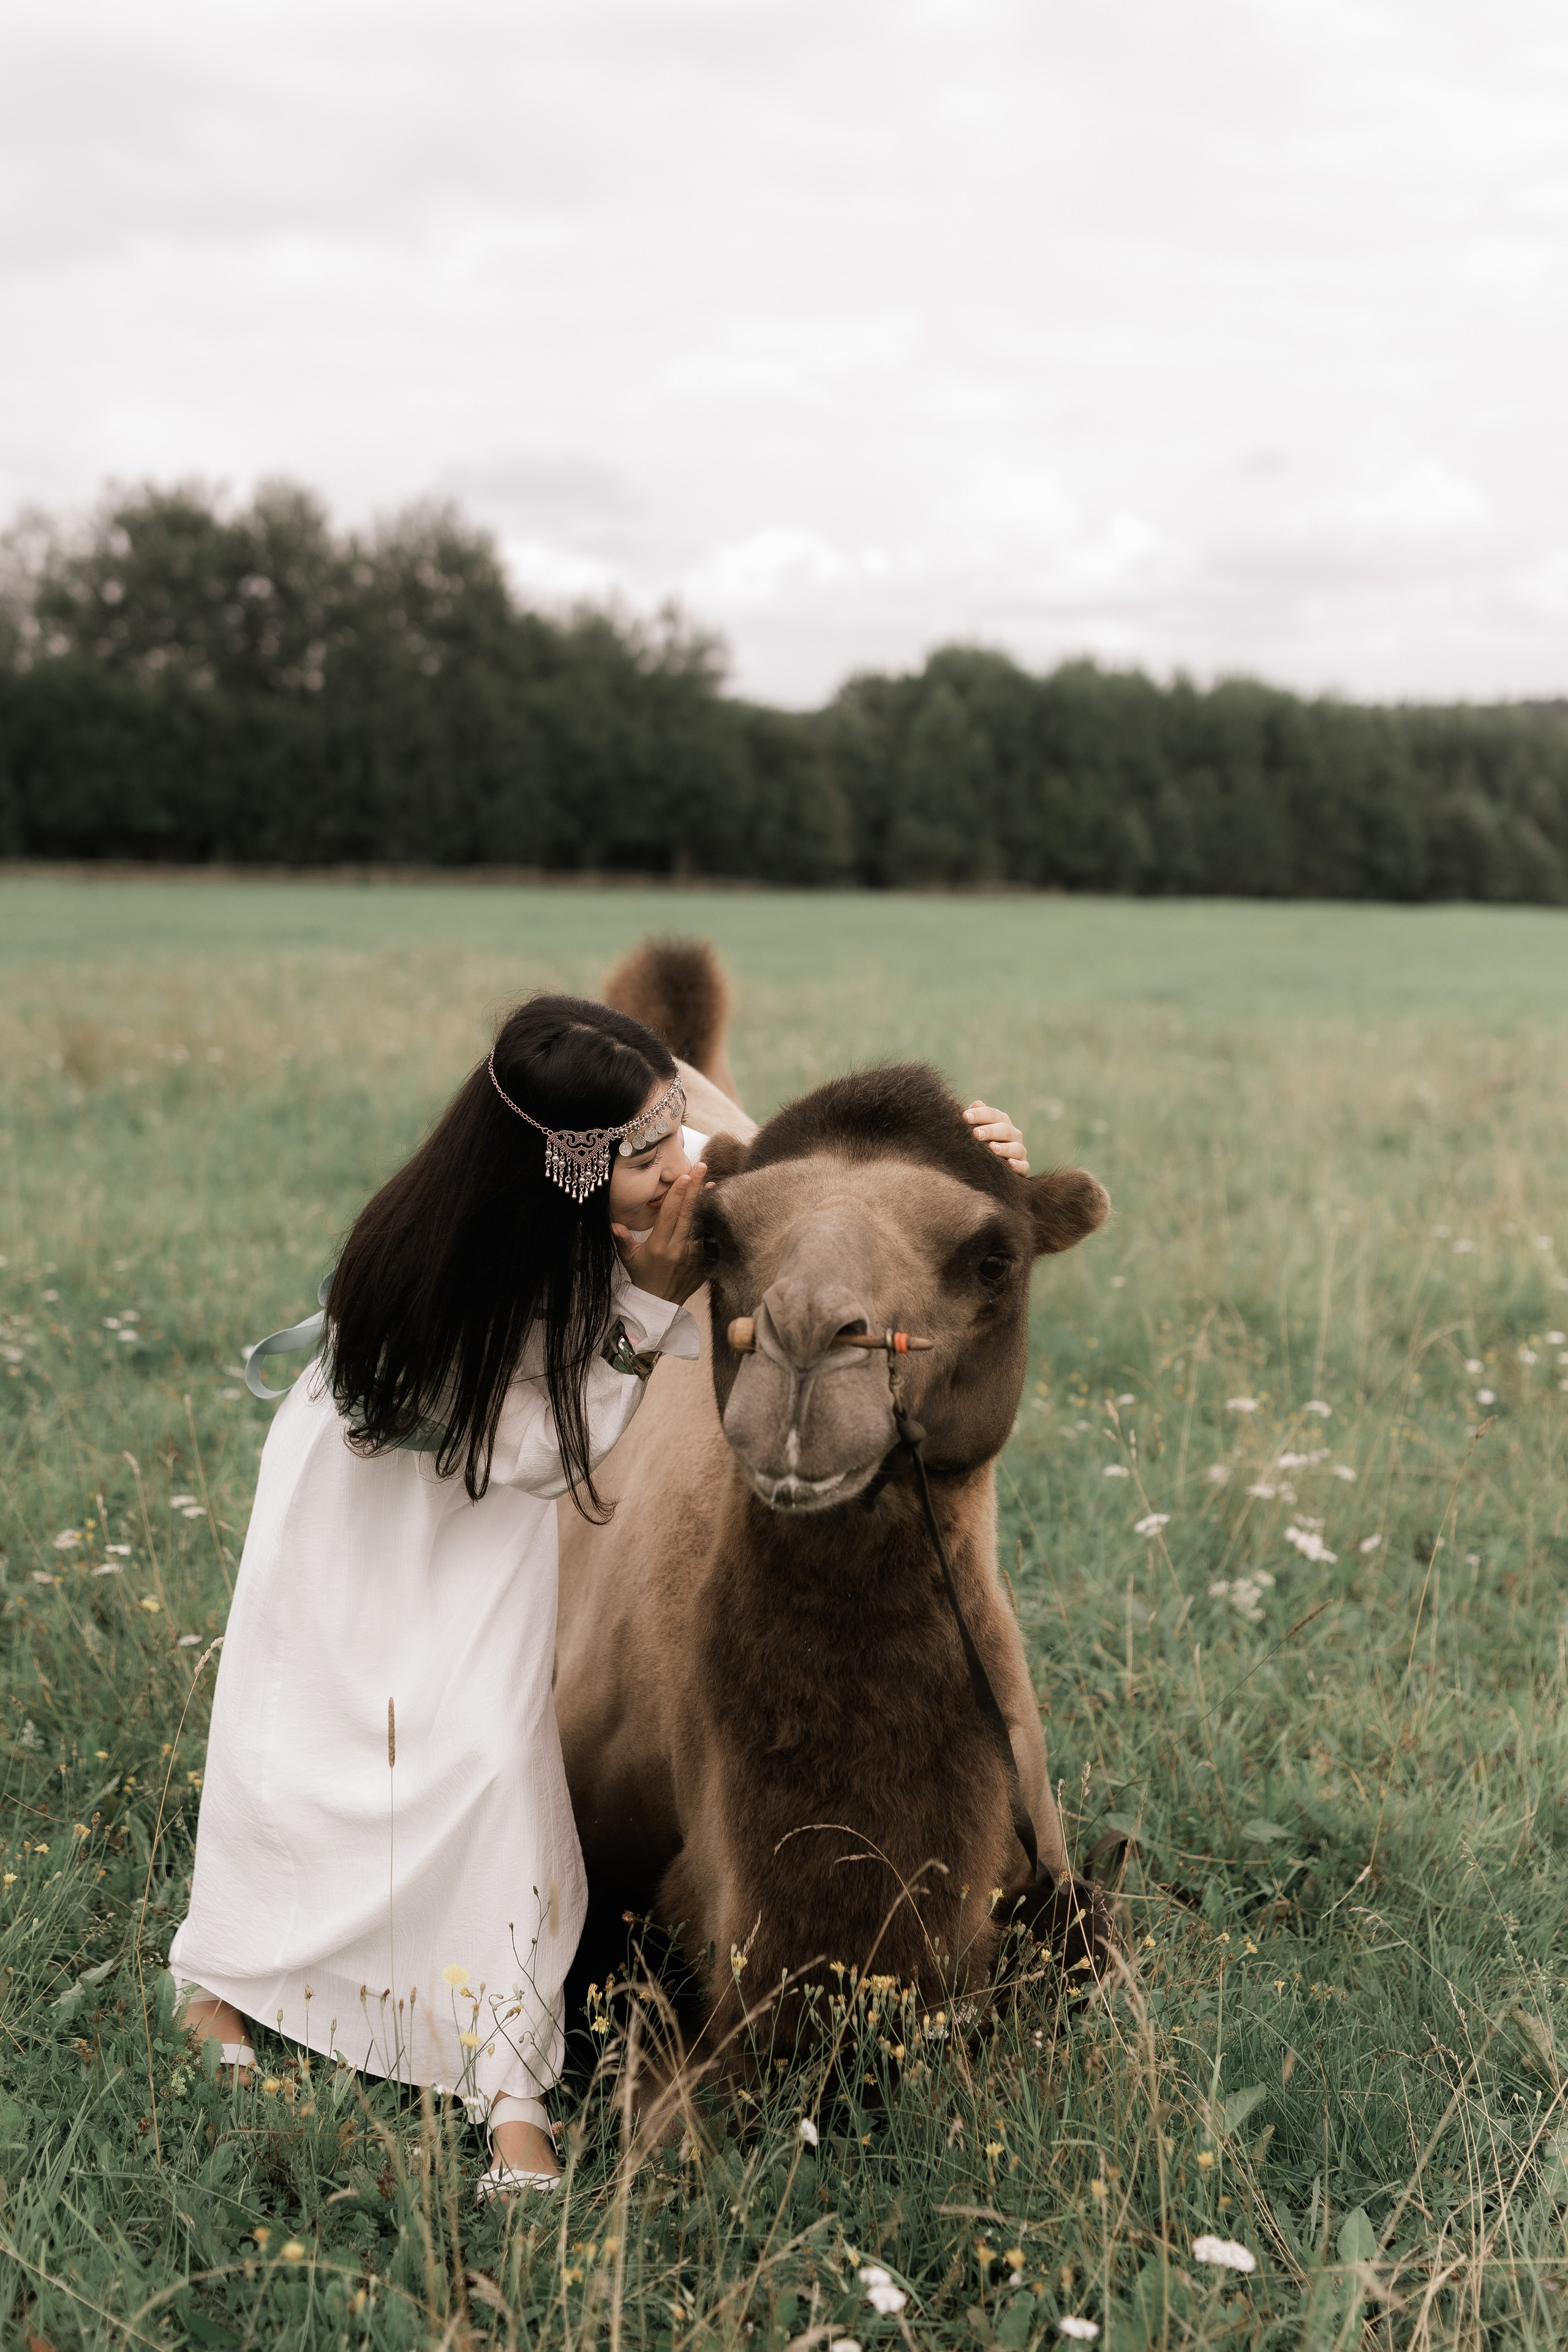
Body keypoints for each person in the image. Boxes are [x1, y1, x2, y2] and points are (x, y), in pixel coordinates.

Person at [168, 992, 1032, 2198]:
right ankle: (223, 1977)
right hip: (374, 1529)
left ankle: (507, 2088)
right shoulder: (427, 1265)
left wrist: (959, 1164)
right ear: (561, 1171)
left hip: (483, 1550)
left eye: (673, 1127)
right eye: (643, 1150)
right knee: (303, 1749)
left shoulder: (621, 1218)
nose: (682, 1162)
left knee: (488, 1767)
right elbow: (524, 1451)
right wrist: (637, 1306)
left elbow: (801, 1223)